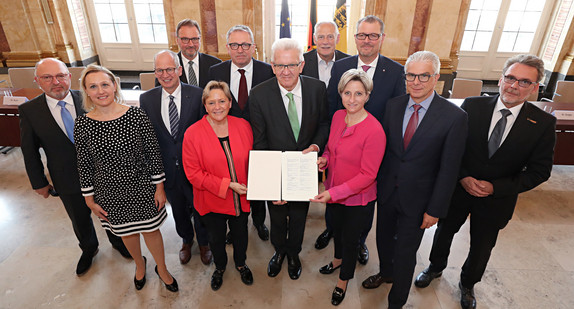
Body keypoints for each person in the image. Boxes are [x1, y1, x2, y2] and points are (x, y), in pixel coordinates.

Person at [414, 54, 556, 309]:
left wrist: (496, 187)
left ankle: (468, 284)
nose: (514, 86)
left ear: (535, 88)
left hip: (497, 200)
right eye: (510, 78)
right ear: (501, 79)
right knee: (444, 233)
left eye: (524, 82)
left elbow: (540, 171)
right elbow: (451, 149)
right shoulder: (472, 106)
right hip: (458, 190)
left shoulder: (543, 123)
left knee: (482, 246)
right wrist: (464, 176)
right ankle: (435, 268)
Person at [361, 51, 468, 309]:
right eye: (411, 75)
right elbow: (384, 151)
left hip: (420, 202)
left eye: (424, 76)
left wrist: (435, 210)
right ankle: (386, 272)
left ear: (436, 78)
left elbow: (449, 169)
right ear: (405, 76)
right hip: (387, 192)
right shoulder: (393, 106)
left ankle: (396, 301)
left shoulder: (454, 117)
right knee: (383, 241)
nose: (416, 81)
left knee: (406, 253)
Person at [19, 58, 130, 276]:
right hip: (66, 177)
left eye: (60, 76)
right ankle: (89, 248)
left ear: (69, 77)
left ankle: (119, 242)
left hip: (102, 175)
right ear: (37, 81)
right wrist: (38, 182)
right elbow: (29, 150)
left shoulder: (91, 99)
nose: (56, 82)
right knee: (79, 218)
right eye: (47, 78)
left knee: (110, 212)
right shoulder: (30, 111)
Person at [74, 65, 178, 292]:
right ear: (86, 91)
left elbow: (153, 153)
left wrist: (159, 187)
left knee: (151, 230)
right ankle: (140, 265)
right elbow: (84, 163)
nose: (100, 90)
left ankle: (162, 268)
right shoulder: (82, 124)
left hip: (142, 187)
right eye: (93, 86)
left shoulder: (136, 115)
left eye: (104, 84)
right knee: (127, 232)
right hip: (109, 192)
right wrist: (89, 199)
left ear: (114, 85)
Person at [327, 15, 406, 264]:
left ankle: (359, 241)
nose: (367, 41)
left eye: (373, 35)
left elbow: (395, 116)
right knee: (336, 204)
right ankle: (335, 234)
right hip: (342, 147)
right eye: (362, 35)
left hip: (375, 151)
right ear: (355, 38)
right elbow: (332, 106)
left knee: (364, 203)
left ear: (382, 38)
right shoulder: (340, 66)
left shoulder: (395, 71)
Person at [249, 38, 329, 280]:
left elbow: (324, 123)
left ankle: (293, 253)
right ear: (272, 66)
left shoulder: (317, 89)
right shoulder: (259, 94)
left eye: (292, 65)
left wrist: (316, 145)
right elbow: (260, 142)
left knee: (298, 215)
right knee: (276, 216)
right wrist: (271, 185)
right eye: (280, 66)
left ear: (301, 65)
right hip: (276, 170)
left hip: (304, 169)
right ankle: (279, 251)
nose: (286, 72)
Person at [311, 69, 385, 306]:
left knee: (351, 239)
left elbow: (368, 175)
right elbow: (332, 150)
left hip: (357, 199)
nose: (352, 99)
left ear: (367, 96)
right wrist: (324, 159)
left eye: (358, 94)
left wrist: (333, 192)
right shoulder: (337, 117)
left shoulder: (374, 130)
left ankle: (343, 280)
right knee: (336, 230)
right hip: (333, 192)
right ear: (341, 94)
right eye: (347, 93)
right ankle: (337, 259)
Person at [140, 50, 212, 265]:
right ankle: (187, 240)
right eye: (160, 70)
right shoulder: (147, 99)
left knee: (200, 207)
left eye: (170, 69)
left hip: (196, 168)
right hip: (168, 170)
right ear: (155, 73)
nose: (165, 74)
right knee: (178, 210)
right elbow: (148, 138)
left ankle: (205, 242)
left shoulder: (198, 94)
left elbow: (206, 132)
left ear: (179, 70)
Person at [182, 81, 254, 291]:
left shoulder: (243, 126)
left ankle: (241, 264)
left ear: (230, 103)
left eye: (222, 101)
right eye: (211, 102)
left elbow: (254, 160)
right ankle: (220, 267)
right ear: (205, 105)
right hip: (212, 199)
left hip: (241, 199)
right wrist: (228, 185)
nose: (217, 106)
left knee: (241, 235)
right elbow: (193, 174)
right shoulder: (192, 134)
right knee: (216, 238)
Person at [208, 25, 274, 242]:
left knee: (258, 181)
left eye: (245, 44)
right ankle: (235, 223)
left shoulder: (267, 71)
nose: (240, 50)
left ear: (253, 47)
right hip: (228, 140)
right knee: (233, 181)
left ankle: (258, 220)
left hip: (260, 138)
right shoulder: (216, 72)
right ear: (228, 47)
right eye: (235, 45)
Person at [302, 20, 350, 251]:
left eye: (330, 36)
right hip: (311, 130)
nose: (325, 41)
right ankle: (298, 216)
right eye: (321, 37)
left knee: (336, 179)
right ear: (313, 39)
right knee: (308, 177)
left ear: (338, 39)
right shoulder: (302, 61)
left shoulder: (349, 62)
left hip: (343, 127)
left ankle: (332, 227)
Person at [171, 19, 222, 88]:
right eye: (185, 39)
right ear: (177, 40)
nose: (191, 44)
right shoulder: (169, 66)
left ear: (200, 39)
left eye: (194, 39)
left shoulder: (216, 64)